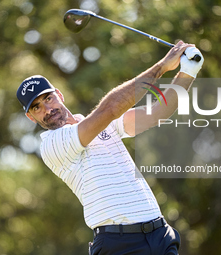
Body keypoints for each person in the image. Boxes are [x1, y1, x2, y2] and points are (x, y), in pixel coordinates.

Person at [16, 40, 204, 255]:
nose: (48, 109)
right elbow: (110, 109)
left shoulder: (101, 124)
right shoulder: (52, 144)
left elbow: (157, 113)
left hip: (160, 235)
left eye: (48, 98)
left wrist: (189, 71)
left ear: (59, 94)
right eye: (37, 107)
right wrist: (162, 66)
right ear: (31, 117)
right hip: (120, 245)